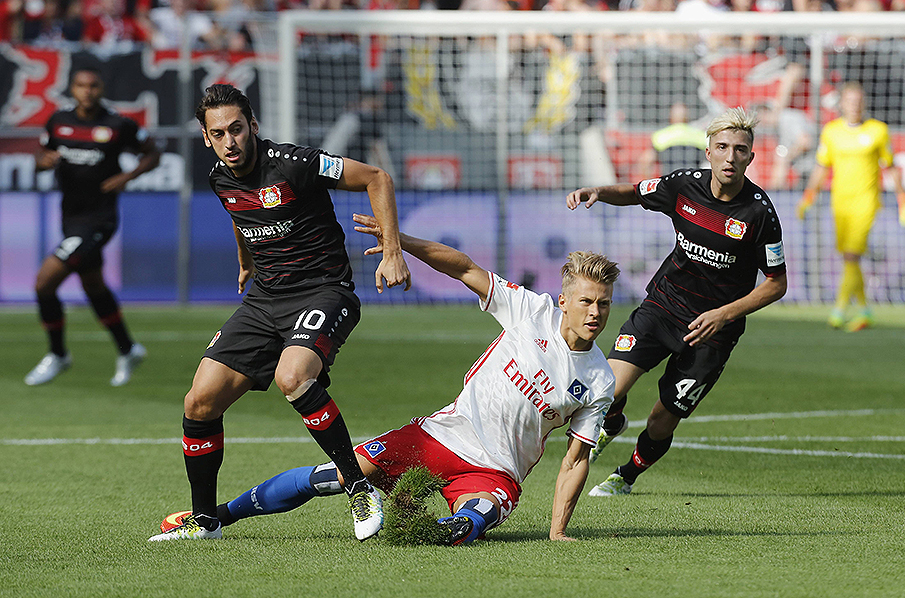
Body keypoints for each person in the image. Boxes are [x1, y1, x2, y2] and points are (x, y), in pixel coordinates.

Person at [160, 218, 620, 544]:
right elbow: (462, 268)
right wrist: (400, 242)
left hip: (497, 471)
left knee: (472, 521)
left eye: (603, 303)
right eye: (586, 301)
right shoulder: (530, 311)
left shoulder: (599, 379)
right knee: (338, 477)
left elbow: (575, 459)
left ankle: (435, 526)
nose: (595, 313)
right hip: (439, 436)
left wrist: (558, 531)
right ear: (563, 299)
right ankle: (213, 517)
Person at [148, 84, 412, 543]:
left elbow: (377, 177)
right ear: (205, 137)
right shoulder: (219, 177)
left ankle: (358, 487)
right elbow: (239, 213)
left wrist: (392, 251)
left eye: (236, 129)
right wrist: (246, 260)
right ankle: (205, 521)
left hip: (324, 293)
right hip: (264, 301)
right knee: (199, 401)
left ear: (253, 126)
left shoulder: (297, 164)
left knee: (294, 377)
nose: (230, 141)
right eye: (218, 133)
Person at [565, 106, 787, 497]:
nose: (730, 157)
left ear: (751, 157)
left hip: (712, 332)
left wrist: (724, 314)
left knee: (662, 419)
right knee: (608, 391)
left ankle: (626, 475)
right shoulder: (685, 185)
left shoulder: (760, 213)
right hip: (662, 309)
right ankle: (612, 421)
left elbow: (776, 283)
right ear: (709, 152)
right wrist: (598, 191)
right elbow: (635, 193)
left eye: (740, 149)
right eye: (723, 147)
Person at [24, 66, 160, 388]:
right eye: (82, 85)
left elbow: (153, 152)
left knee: (44, 283)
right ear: (73, 89)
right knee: (93, 287)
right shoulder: (59, 121)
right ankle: (128, 348)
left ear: (101, 89)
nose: (88, 91)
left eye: (94, 85)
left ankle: (58, 354)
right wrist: (41, 161)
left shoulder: (118, 124)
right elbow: (42, 154)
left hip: (99, 220)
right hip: (70, 218)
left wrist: (128, 177)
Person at [797, 82, 905, 331]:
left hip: (867, 202)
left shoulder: (878, 131)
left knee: (852, 255)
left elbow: (891, 167)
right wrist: (808, 195)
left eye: (858, 101)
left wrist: (903, 200)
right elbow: (822, 166)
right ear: (841, 103)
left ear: (864, 103)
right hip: (840, 203)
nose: (854, 106)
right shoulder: (831, 132)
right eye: (850, 101)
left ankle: (839, 310)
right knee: (848, 259)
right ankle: (864, 310)